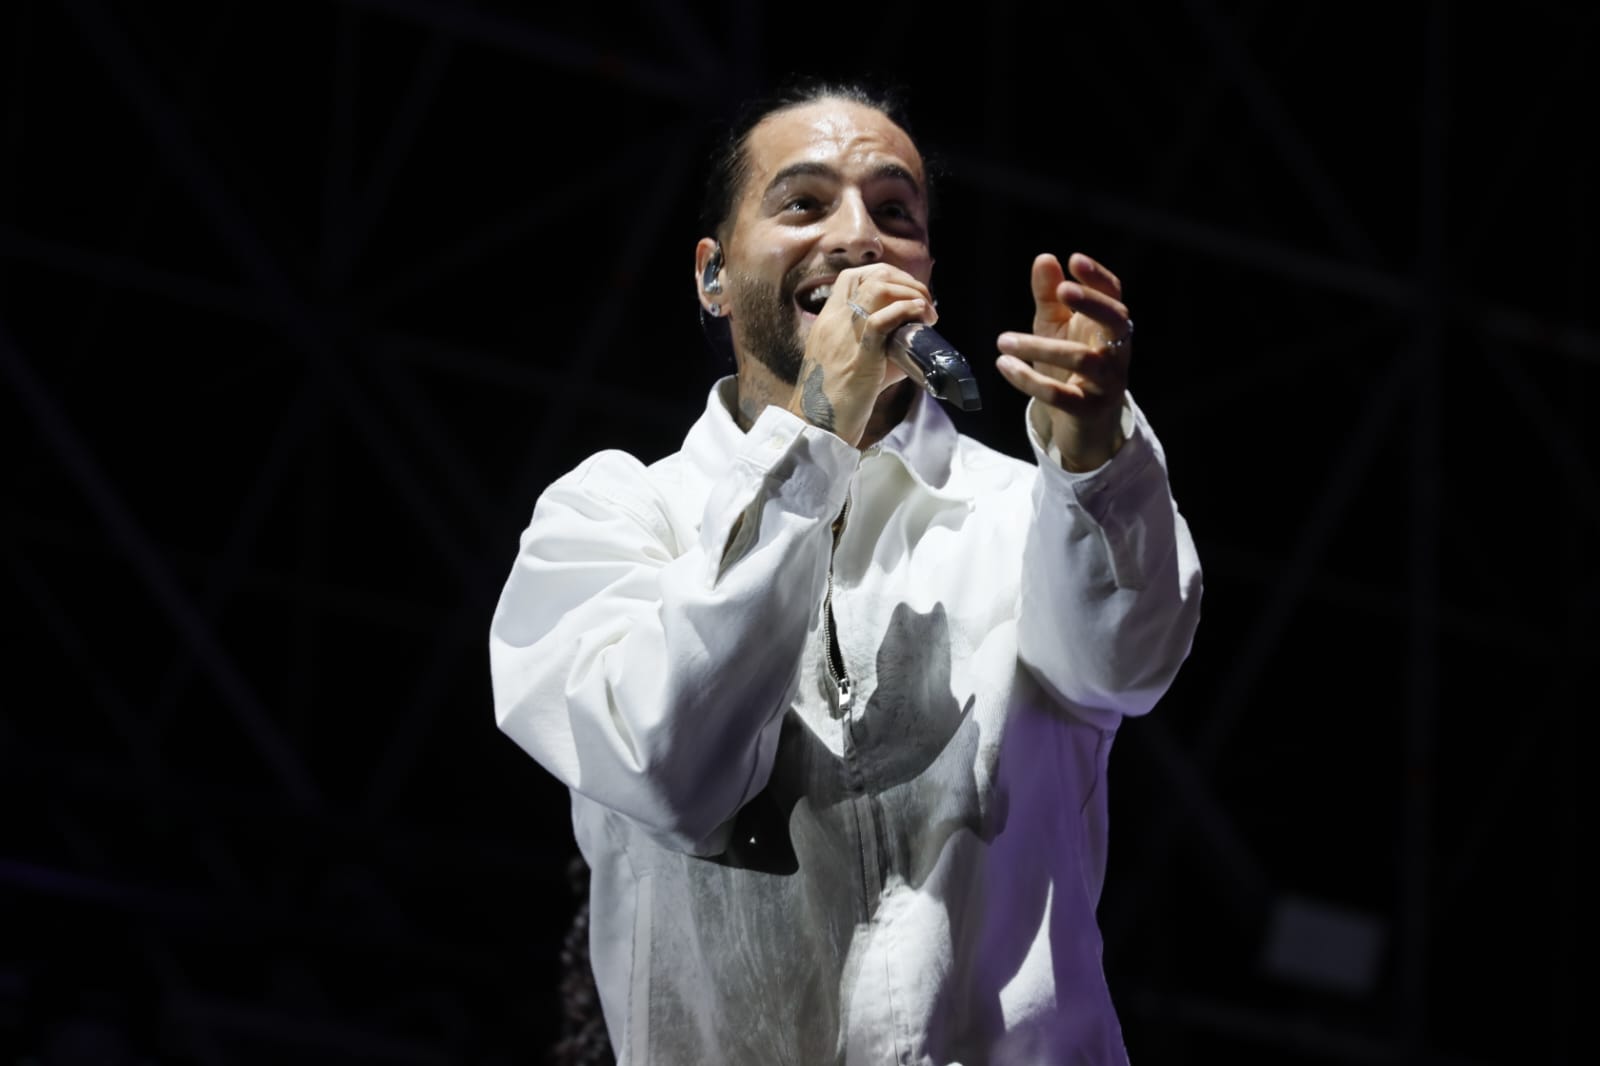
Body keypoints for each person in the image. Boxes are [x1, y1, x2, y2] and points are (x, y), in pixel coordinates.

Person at [489, 78, 1203, 1065]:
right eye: (803, 202)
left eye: (894, 211)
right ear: (711, 274)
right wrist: (812, 442)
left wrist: (1093, 462)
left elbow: (1125, 662)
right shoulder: (612, 517)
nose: (859, 235)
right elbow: (670, 764)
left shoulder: (1020, 513)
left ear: (926, 274)